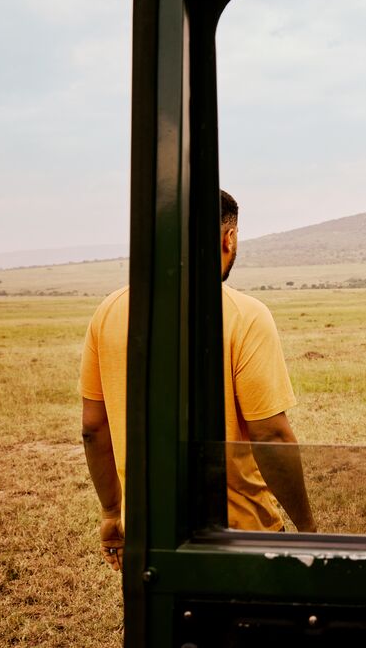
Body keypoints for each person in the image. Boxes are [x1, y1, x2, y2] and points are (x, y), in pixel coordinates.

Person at [80, 190, 316, 571]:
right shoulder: (246, 315)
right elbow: (270, 434)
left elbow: (93, 427)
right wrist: (307, 531)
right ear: (229, 237)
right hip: (240, 533)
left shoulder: (108, 311)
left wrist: (112, 510)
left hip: (149, 531)